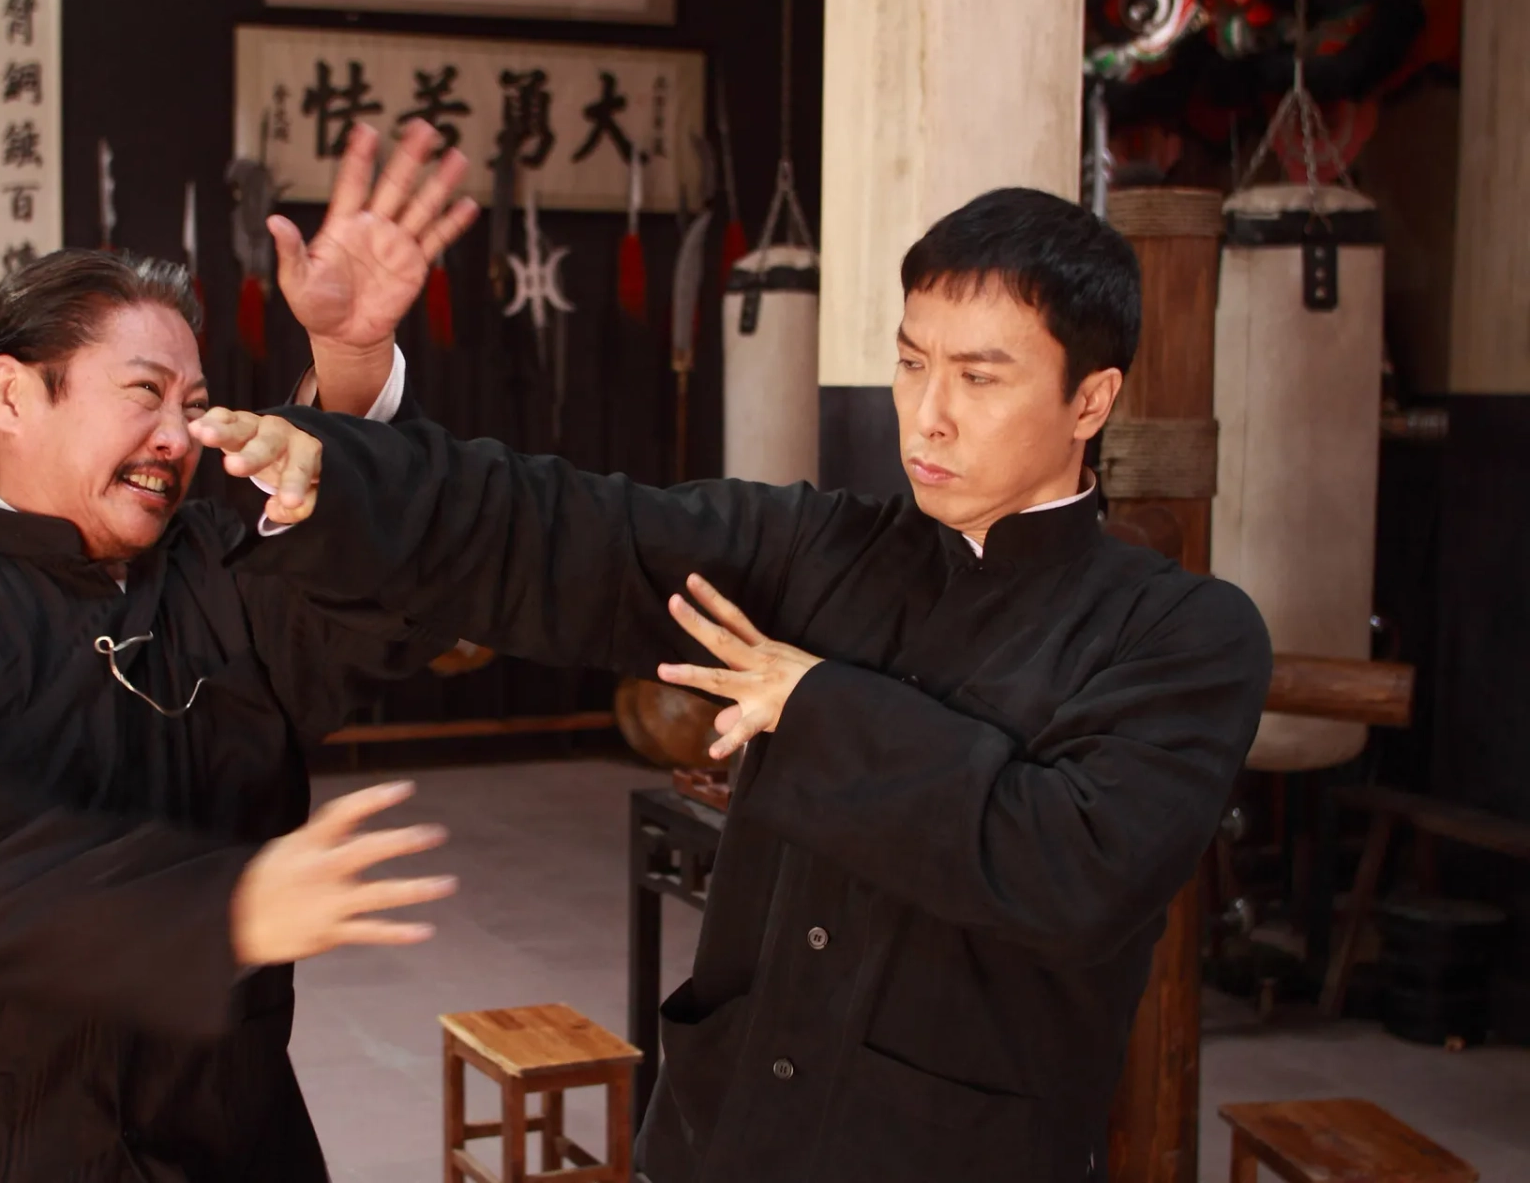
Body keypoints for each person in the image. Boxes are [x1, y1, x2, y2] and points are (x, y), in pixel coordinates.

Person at [201, 186, 1275, 1183]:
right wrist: (351, 443)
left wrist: (817, 703)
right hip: (724, 1129)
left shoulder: (1181, 633)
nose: (928, 415)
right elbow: (573, 529)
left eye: (979, 377)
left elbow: (1075, 866)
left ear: (1091, 398)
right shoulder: (824, 548)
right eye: (911, 364)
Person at [0, 121, 477, 1182]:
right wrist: (225, 906)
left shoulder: (221, 570)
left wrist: (354, 367)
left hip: (222, 1136)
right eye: (143, 393)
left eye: (192, 405)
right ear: (12, 394)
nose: (179, 437)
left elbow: (376, 606)